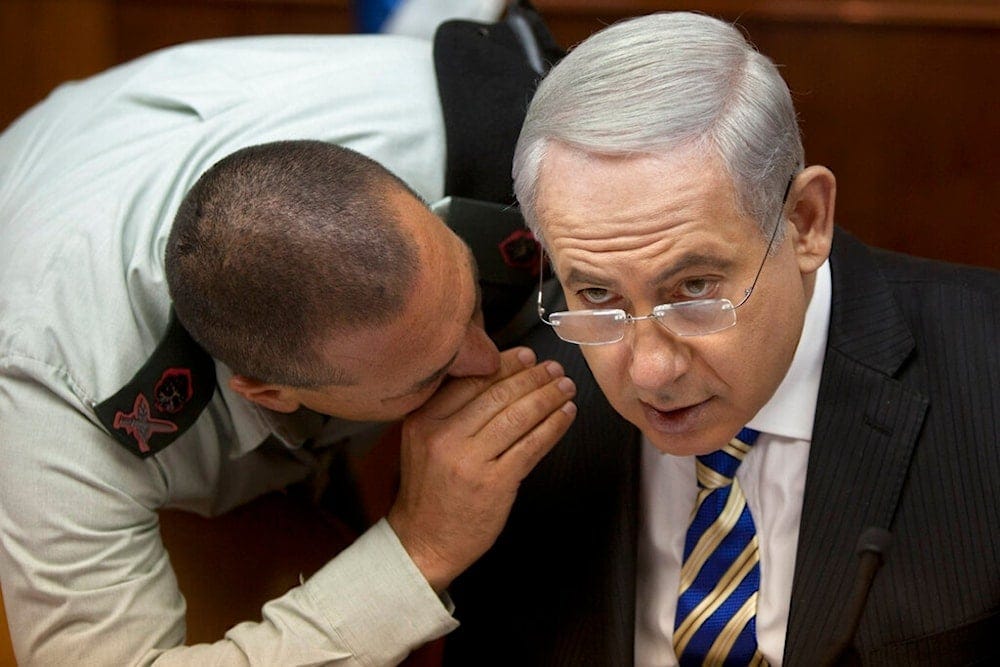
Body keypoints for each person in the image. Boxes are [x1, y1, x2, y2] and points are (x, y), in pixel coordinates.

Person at [0, 19, 578, 667]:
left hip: (149, 115)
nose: (484, 359)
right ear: (270, 392)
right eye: (427, 372)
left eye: (468, 295)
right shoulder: (54, 411)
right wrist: (419, 548)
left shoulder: (487, 131)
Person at [443, 11, 1000, 666]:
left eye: (694, 288)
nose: (649, 371)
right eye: (596, 293)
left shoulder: (985, 369)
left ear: (805, 221)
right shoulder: (511, 423)